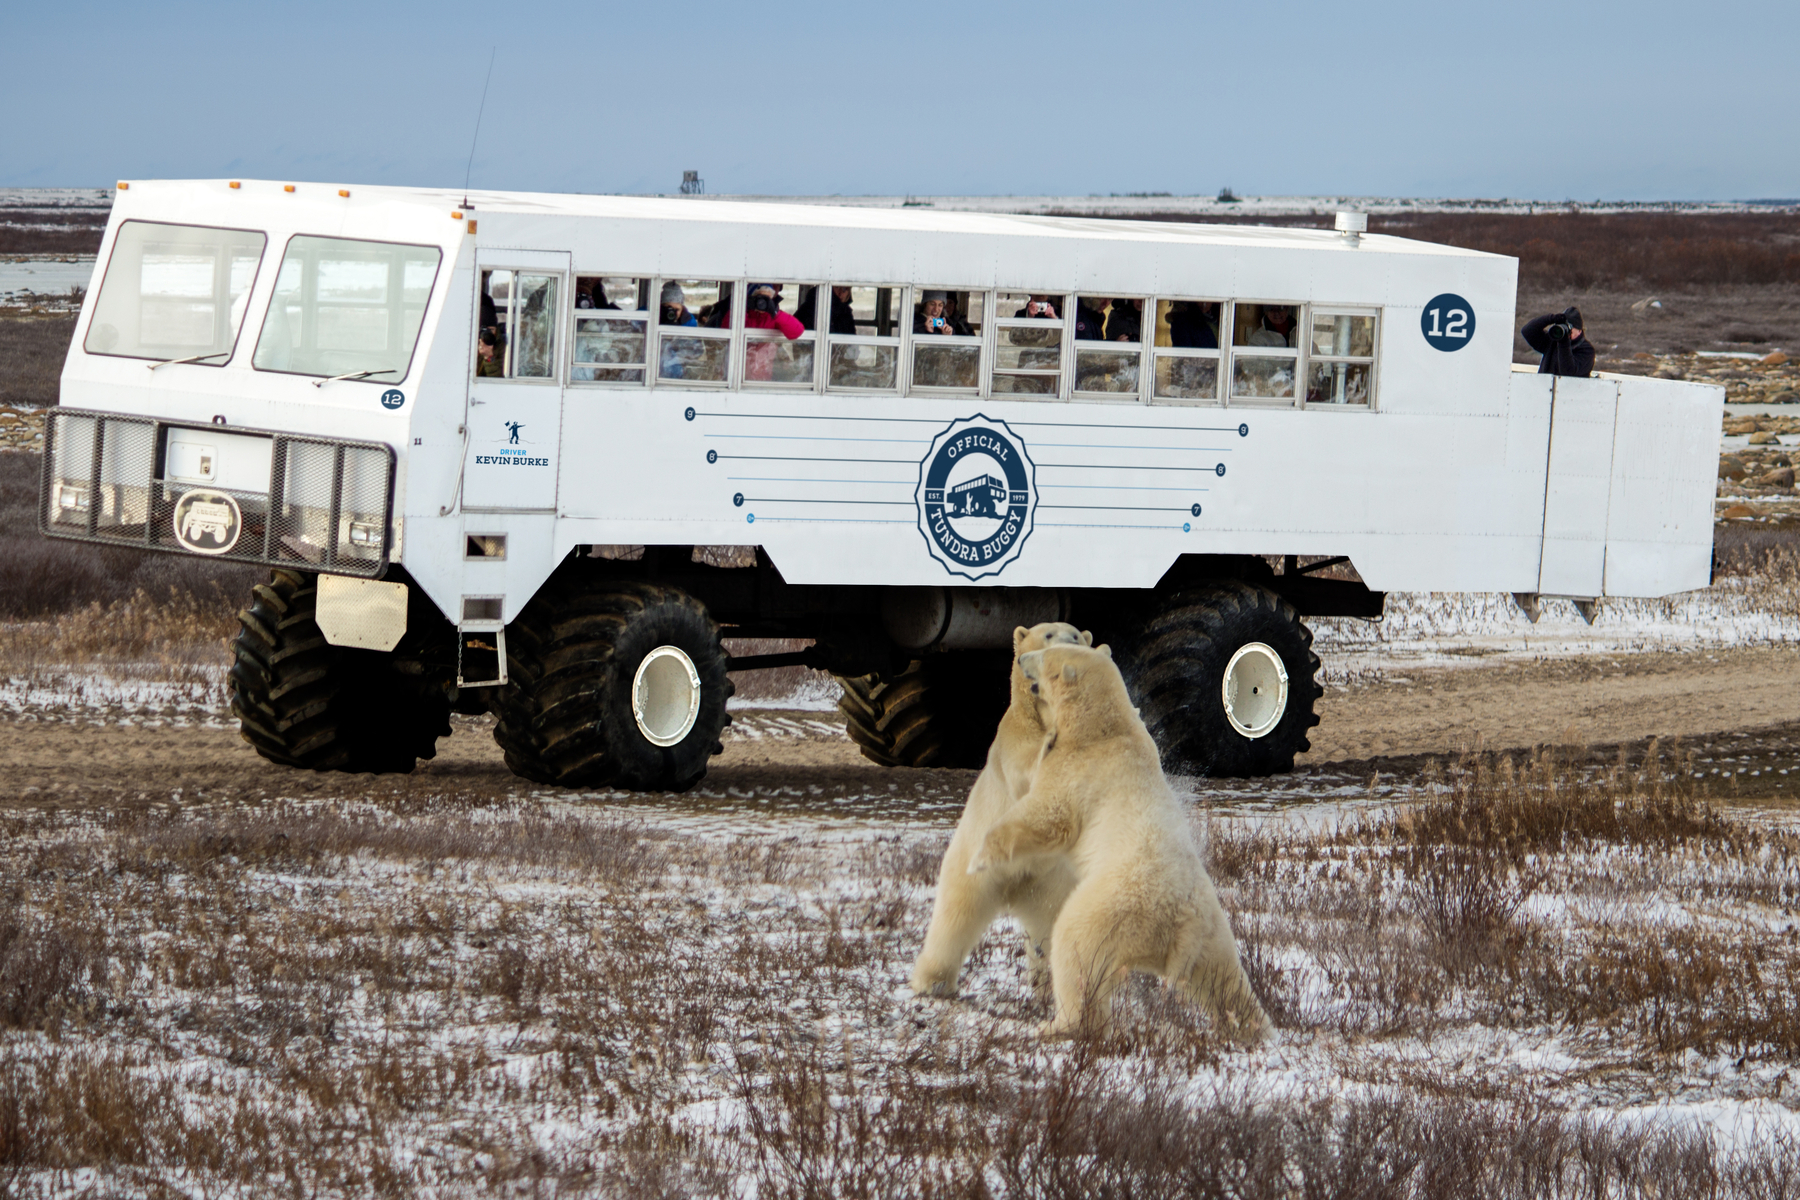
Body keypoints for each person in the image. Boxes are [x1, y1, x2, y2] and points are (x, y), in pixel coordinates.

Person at [738, 282, 805, 381]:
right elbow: (727, 328)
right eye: (759, 298)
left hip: (764, 378)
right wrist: (745, 308)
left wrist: (776, 313)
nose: (762, 303)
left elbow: (797, 331)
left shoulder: (773, 318)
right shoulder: (740, 314)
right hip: (738, 375)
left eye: (767, 299)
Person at [1521, 307, 1594, 377]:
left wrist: (1564, 342)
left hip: (1572, 386)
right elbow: (1527, 331)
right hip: (1545, 385)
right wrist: (1551, 318)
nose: (1567, 331)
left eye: (1569, 328)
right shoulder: (1552, 342)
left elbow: (1568, 372)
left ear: (1579, 330)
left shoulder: (1587, 350)